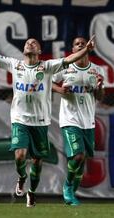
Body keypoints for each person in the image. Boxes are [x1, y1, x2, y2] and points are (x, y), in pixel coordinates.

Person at [0, 31, 95, 207]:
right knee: (20, 155)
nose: (30, 44)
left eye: (34, 42)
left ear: (39, 50)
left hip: (40, 121)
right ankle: (22, 177)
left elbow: (69, 59)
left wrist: (86, 50)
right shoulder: (15, 65)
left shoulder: (47, 67)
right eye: (27, 43)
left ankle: (31, 192)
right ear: (24, 49)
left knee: (37, 161)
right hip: (20, 119)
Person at [52, 37, 105, 206]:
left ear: (89, 48)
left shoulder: (96, 70)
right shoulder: (66, 67)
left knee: (83, 160)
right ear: (73, 50)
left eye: (83, 42)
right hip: (70, 119)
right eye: (77, 43)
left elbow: (100, 96)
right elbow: (48, 82)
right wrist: (61, 90)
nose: (80, 44)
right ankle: (67, 187)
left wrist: (99, 87)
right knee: (78, 156)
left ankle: (71, 192)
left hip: (88, 121)